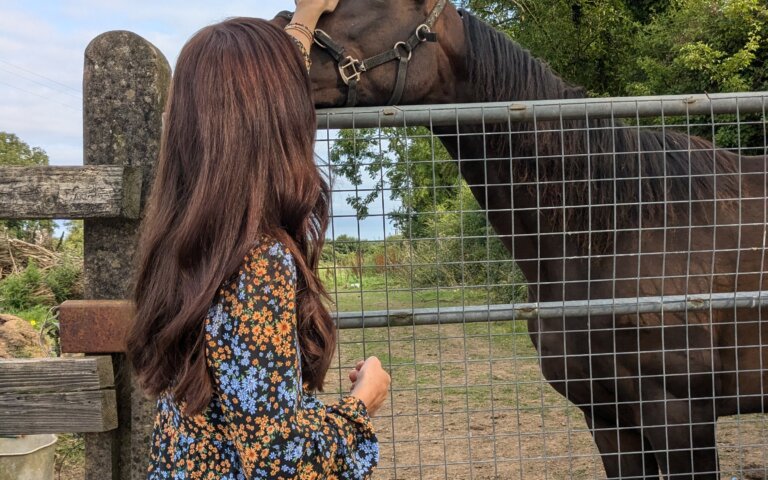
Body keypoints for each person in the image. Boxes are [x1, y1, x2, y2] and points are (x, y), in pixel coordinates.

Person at [126, 1, 391, 478]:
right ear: (280, 121)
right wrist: (361, 403)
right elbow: (278, 461)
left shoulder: (186, 243)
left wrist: (305, 22)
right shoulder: (259, 264)